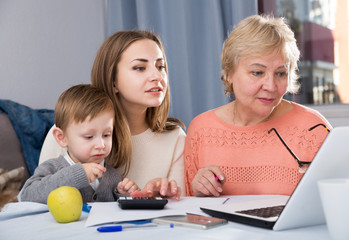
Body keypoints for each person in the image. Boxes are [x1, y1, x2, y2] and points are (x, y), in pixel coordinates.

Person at [184, 14, 332, 197]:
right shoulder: (201, 130)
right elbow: (190, 212)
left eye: (280, 73)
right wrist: (200, 192)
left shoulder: (313, 128)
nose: (270, 86)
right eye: (257, 72)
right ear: (229, 73)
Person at [38, 30, 186, 199]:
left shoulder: (176, 138)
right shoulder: (66, 133)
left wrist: (161, 196)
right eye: (139, 67)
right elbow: (36, 199)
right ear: (113, 81)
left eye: (160, 66)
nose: (157, 76)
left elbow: (179, 211)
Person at [20, 84, 139, 204]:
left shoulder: (113, 176)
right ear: (62, 138)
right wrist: (78, 174)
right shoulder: (52, 168)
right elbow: (27, 196)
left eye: (106, 135)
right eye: (89, 137)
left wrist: (124, 195)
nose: (101, 145)